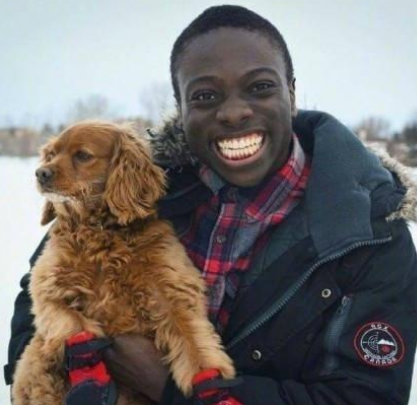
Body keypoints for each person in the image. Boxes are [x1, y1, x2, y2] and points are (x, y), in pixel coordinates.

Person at [5, 5, 417, 405]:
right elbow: (37, 297)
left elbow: (366, 396)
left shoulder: (370, 234)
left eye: (260, 87)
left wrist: (169, 389)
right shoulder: (133, 185)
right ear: (181, 109)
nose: (234, 113)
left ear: (291, 94)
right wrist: (59, 373)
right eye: (205, 95)